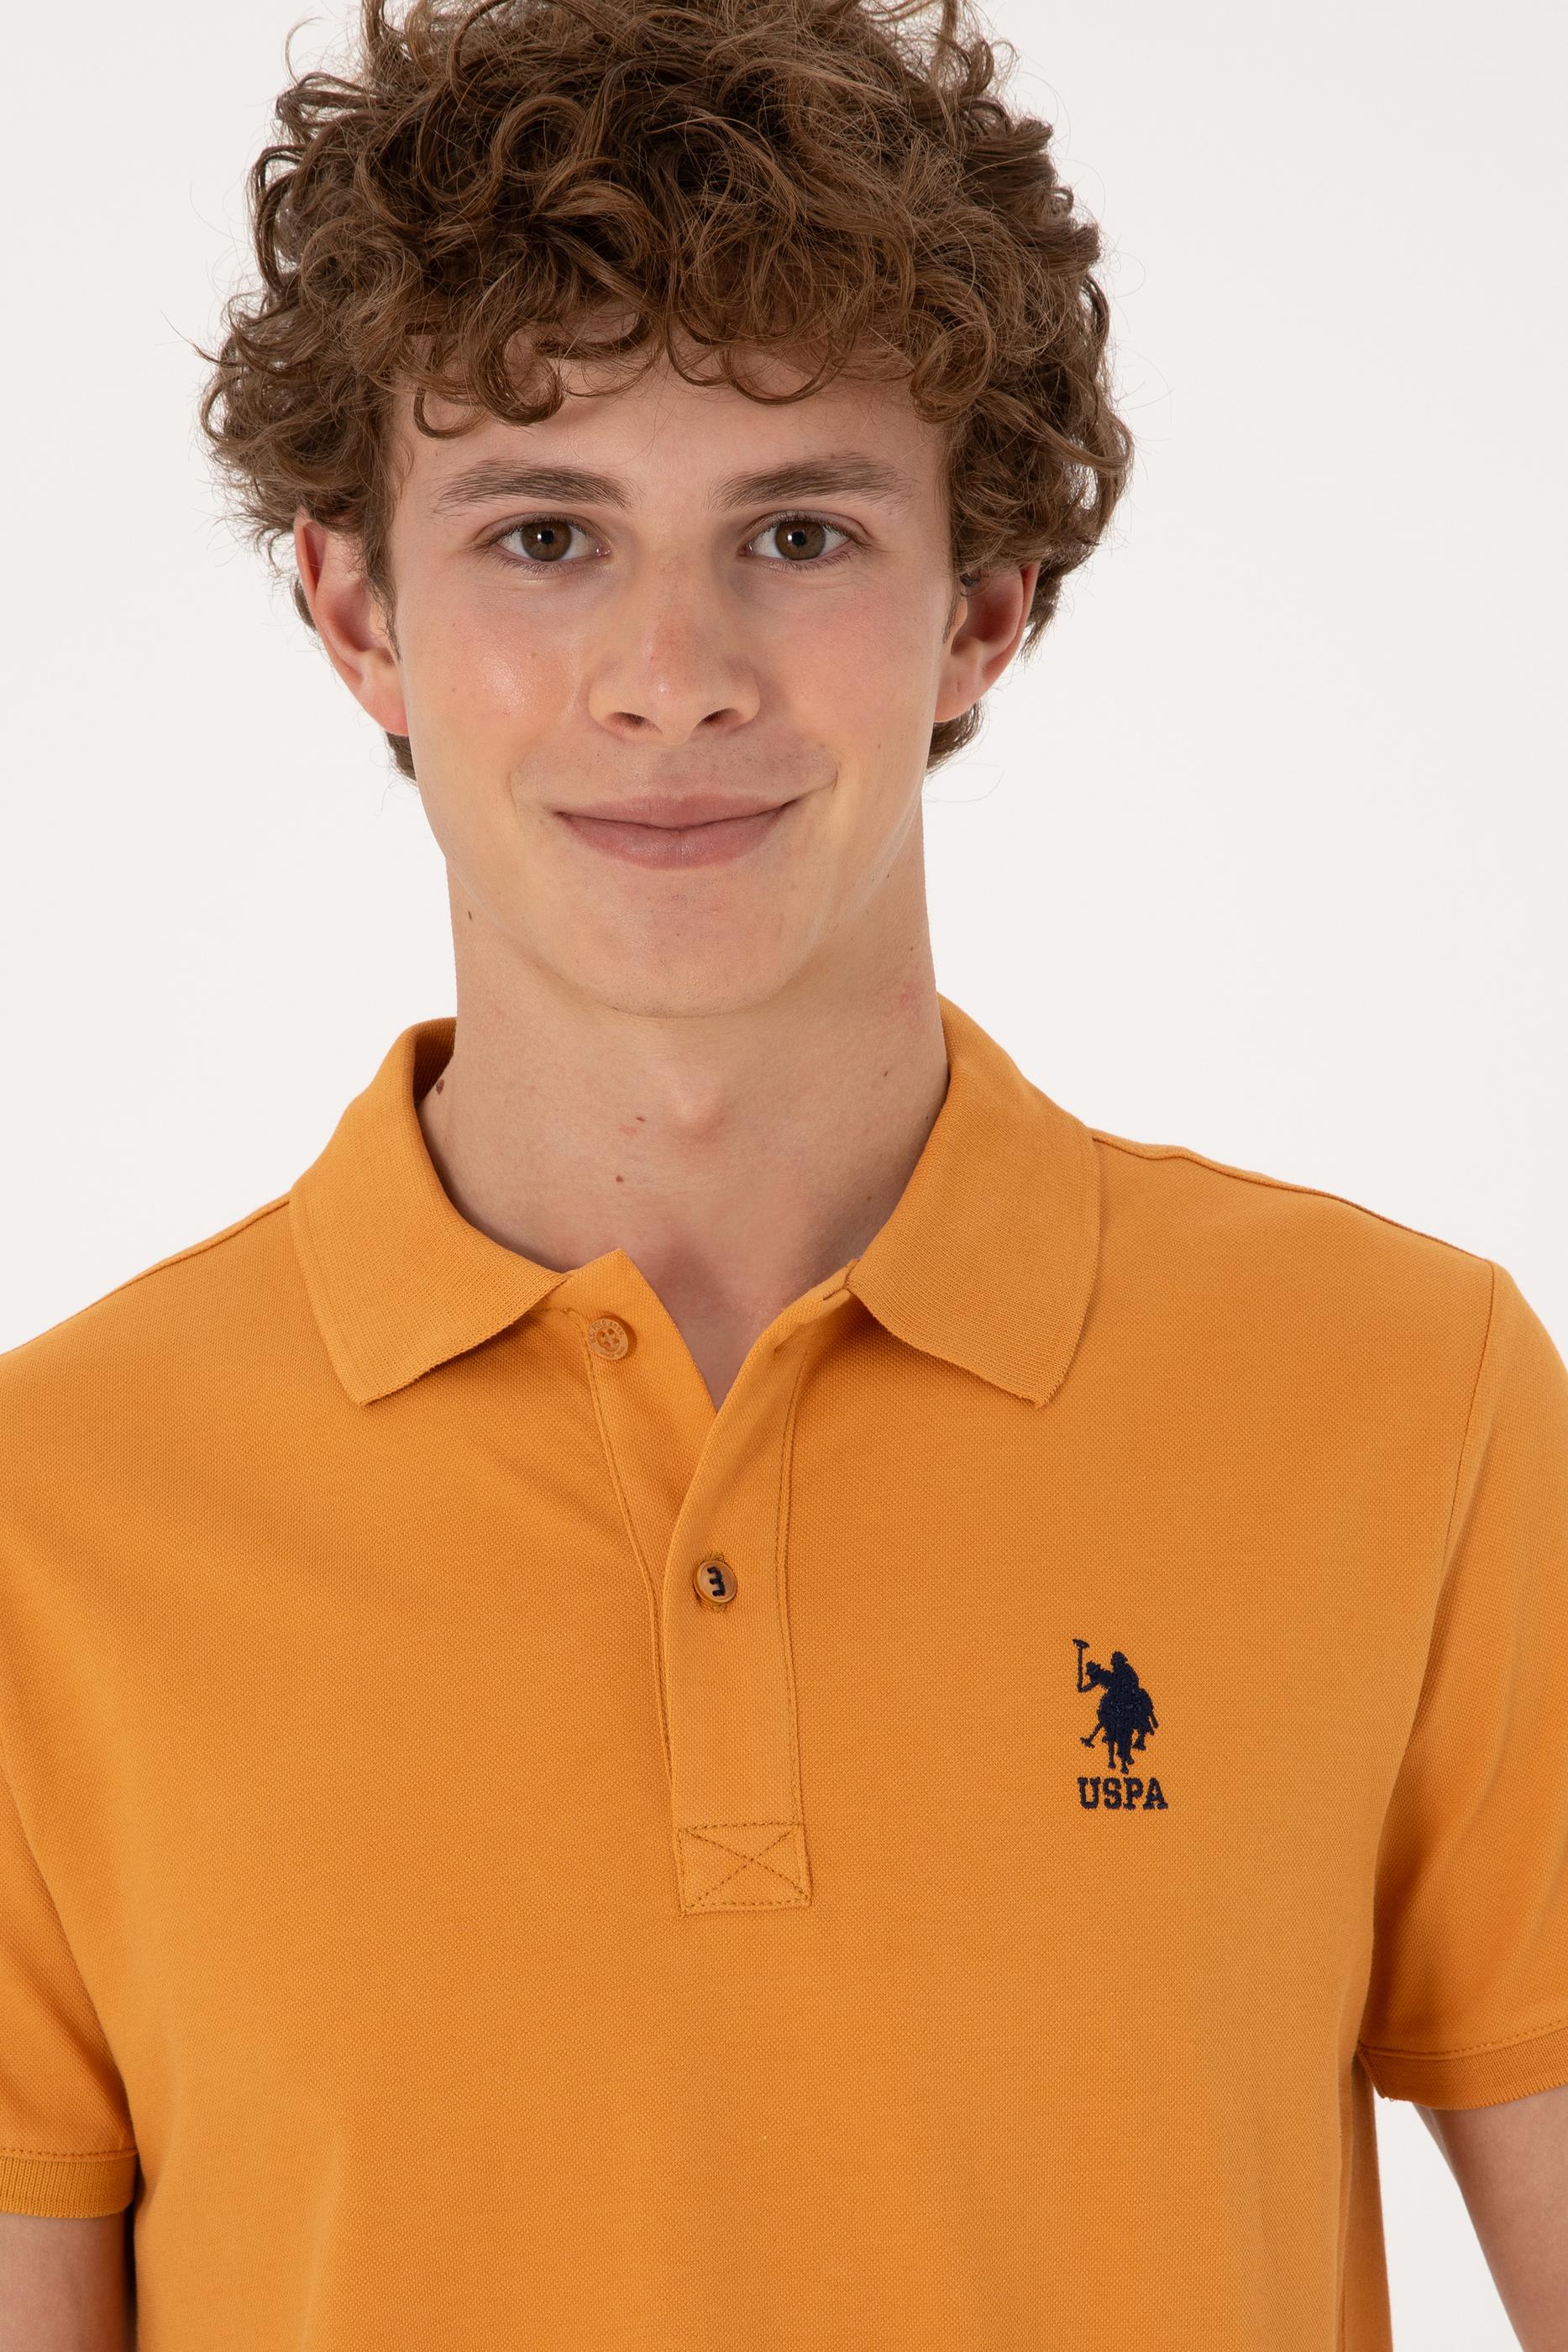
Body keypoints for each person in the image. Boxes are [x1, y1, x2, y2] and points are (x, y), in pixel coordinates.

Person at [2, 0, 1565, 2344]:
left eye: (798, 533)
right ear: (355, 613)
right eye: (545, 535)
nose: (675, 672)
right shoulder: (49, 1513)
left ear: (981, 608)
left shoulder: (1405, 1400)